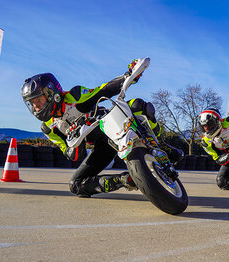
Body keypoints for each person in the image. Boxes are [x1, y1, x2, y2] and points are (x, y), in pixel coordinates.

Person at [21, 59, 183, 197]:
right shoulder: (48, 128)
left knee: (138, 105)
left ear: (51, 93)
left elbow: (102, 90)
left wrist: (129, 76)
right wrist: (72, 146)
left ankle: (161, 144)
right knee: (76, 185)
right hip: (101, 147)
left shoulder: (74, 96)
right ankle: (124, 180)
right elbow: (72, 153)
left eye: (39, 101)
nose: (36, 107)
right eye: (33, 104)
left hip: (111, 122)